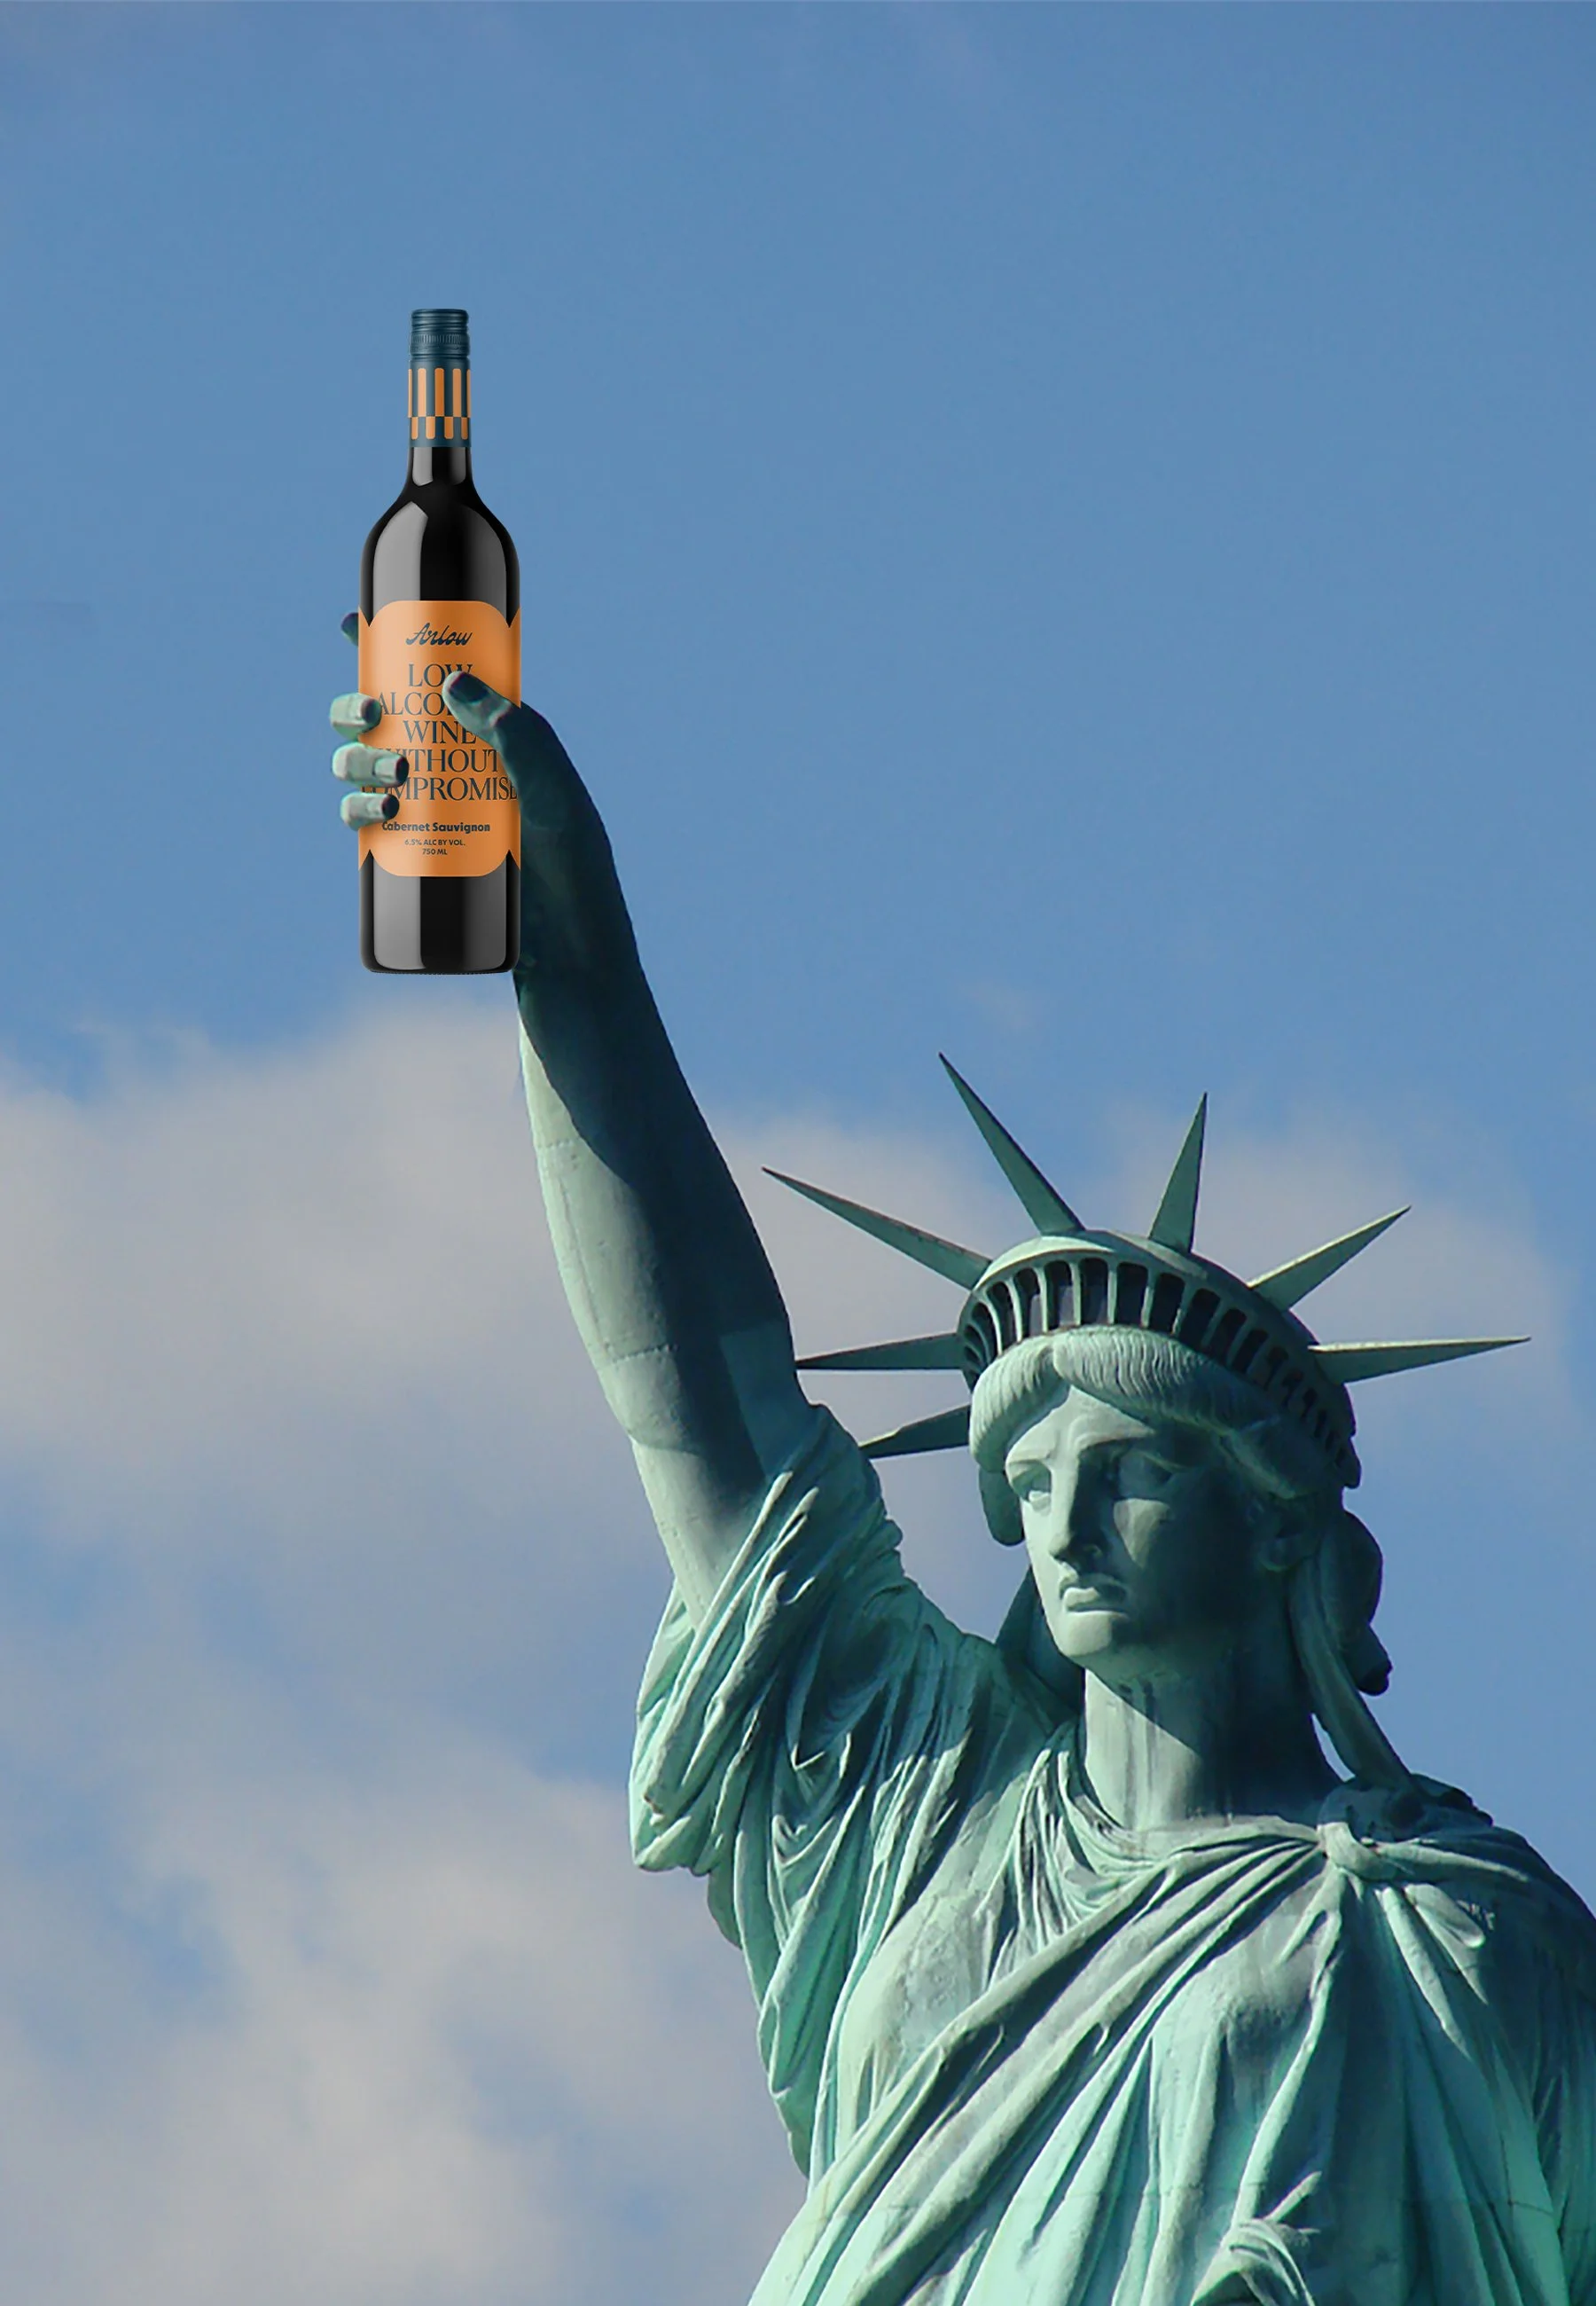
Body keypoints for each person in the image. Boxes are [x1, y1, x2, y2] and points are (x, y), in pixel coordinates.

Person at [331, 665, 1596, 2305]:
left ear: (1275, 1521)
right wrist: (575, 977)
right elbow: (703, 1416)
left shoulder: (1452, 1937)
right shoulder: (927, 1812)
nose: (1062, 1527)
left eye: (1132, 1470)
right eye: (1030, 1480)